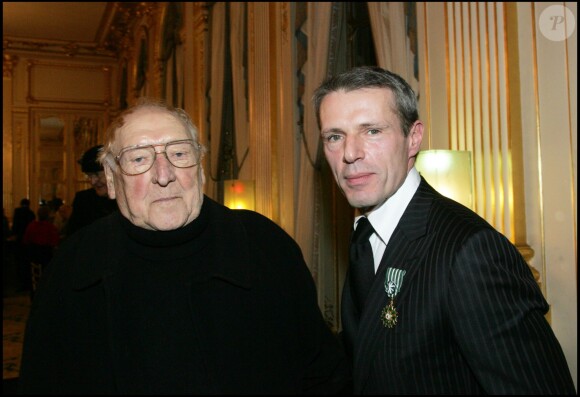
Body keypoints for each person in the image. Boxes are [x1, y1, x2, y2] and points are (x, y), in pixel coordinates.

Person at [18, 98, 350, 394]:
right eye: (138, 158)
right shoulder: (75, 263)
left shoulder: (263, 244)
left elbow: (321, 372)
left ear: (200, 168)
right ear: (111, 177)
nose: (164, 174)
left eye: (178, 153)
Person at [312, 66, 575, 394]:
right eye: (335, 136)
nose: (349, 154)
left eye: (372, 131)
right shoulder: (365, 235)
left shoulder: (471, 252)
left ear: (413, 138)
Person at [65, 144, 118, 237]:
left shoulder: (129, 199)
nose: (93, 181)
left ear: (112, 172)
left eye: (97, 174)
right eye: (89, 176)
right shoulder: (84, 200)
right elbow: (73, 237)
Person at [11, 198, 36, 292]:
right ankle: (27, 283)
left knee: (19, 262)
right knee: (26, 263)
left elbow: (15, 226)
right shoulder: (31, 213)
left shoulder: (17, 212)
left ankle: (20, 283)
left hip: (19, 240)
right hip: (28, 241)